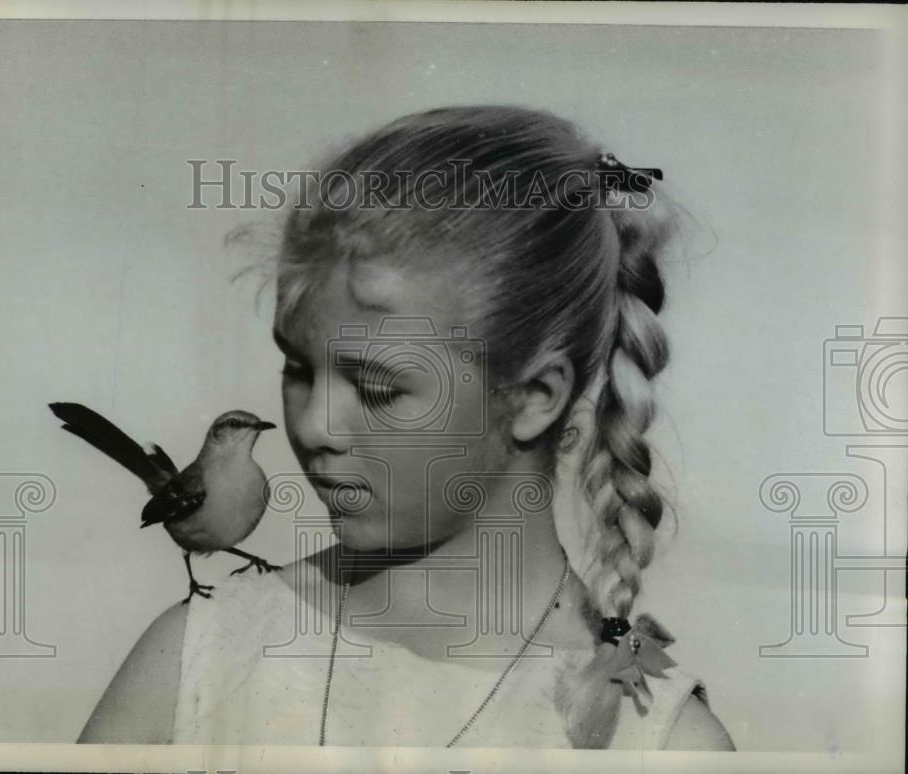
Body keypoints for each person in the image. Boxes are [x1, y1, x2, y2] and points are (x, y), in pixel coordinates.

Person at [78, 105, 735, 750]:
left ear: (535, 397)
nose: (314, 425)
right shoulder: (196, 660)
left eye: (378, 387)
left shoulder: (660, 741)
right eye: (298, 368)